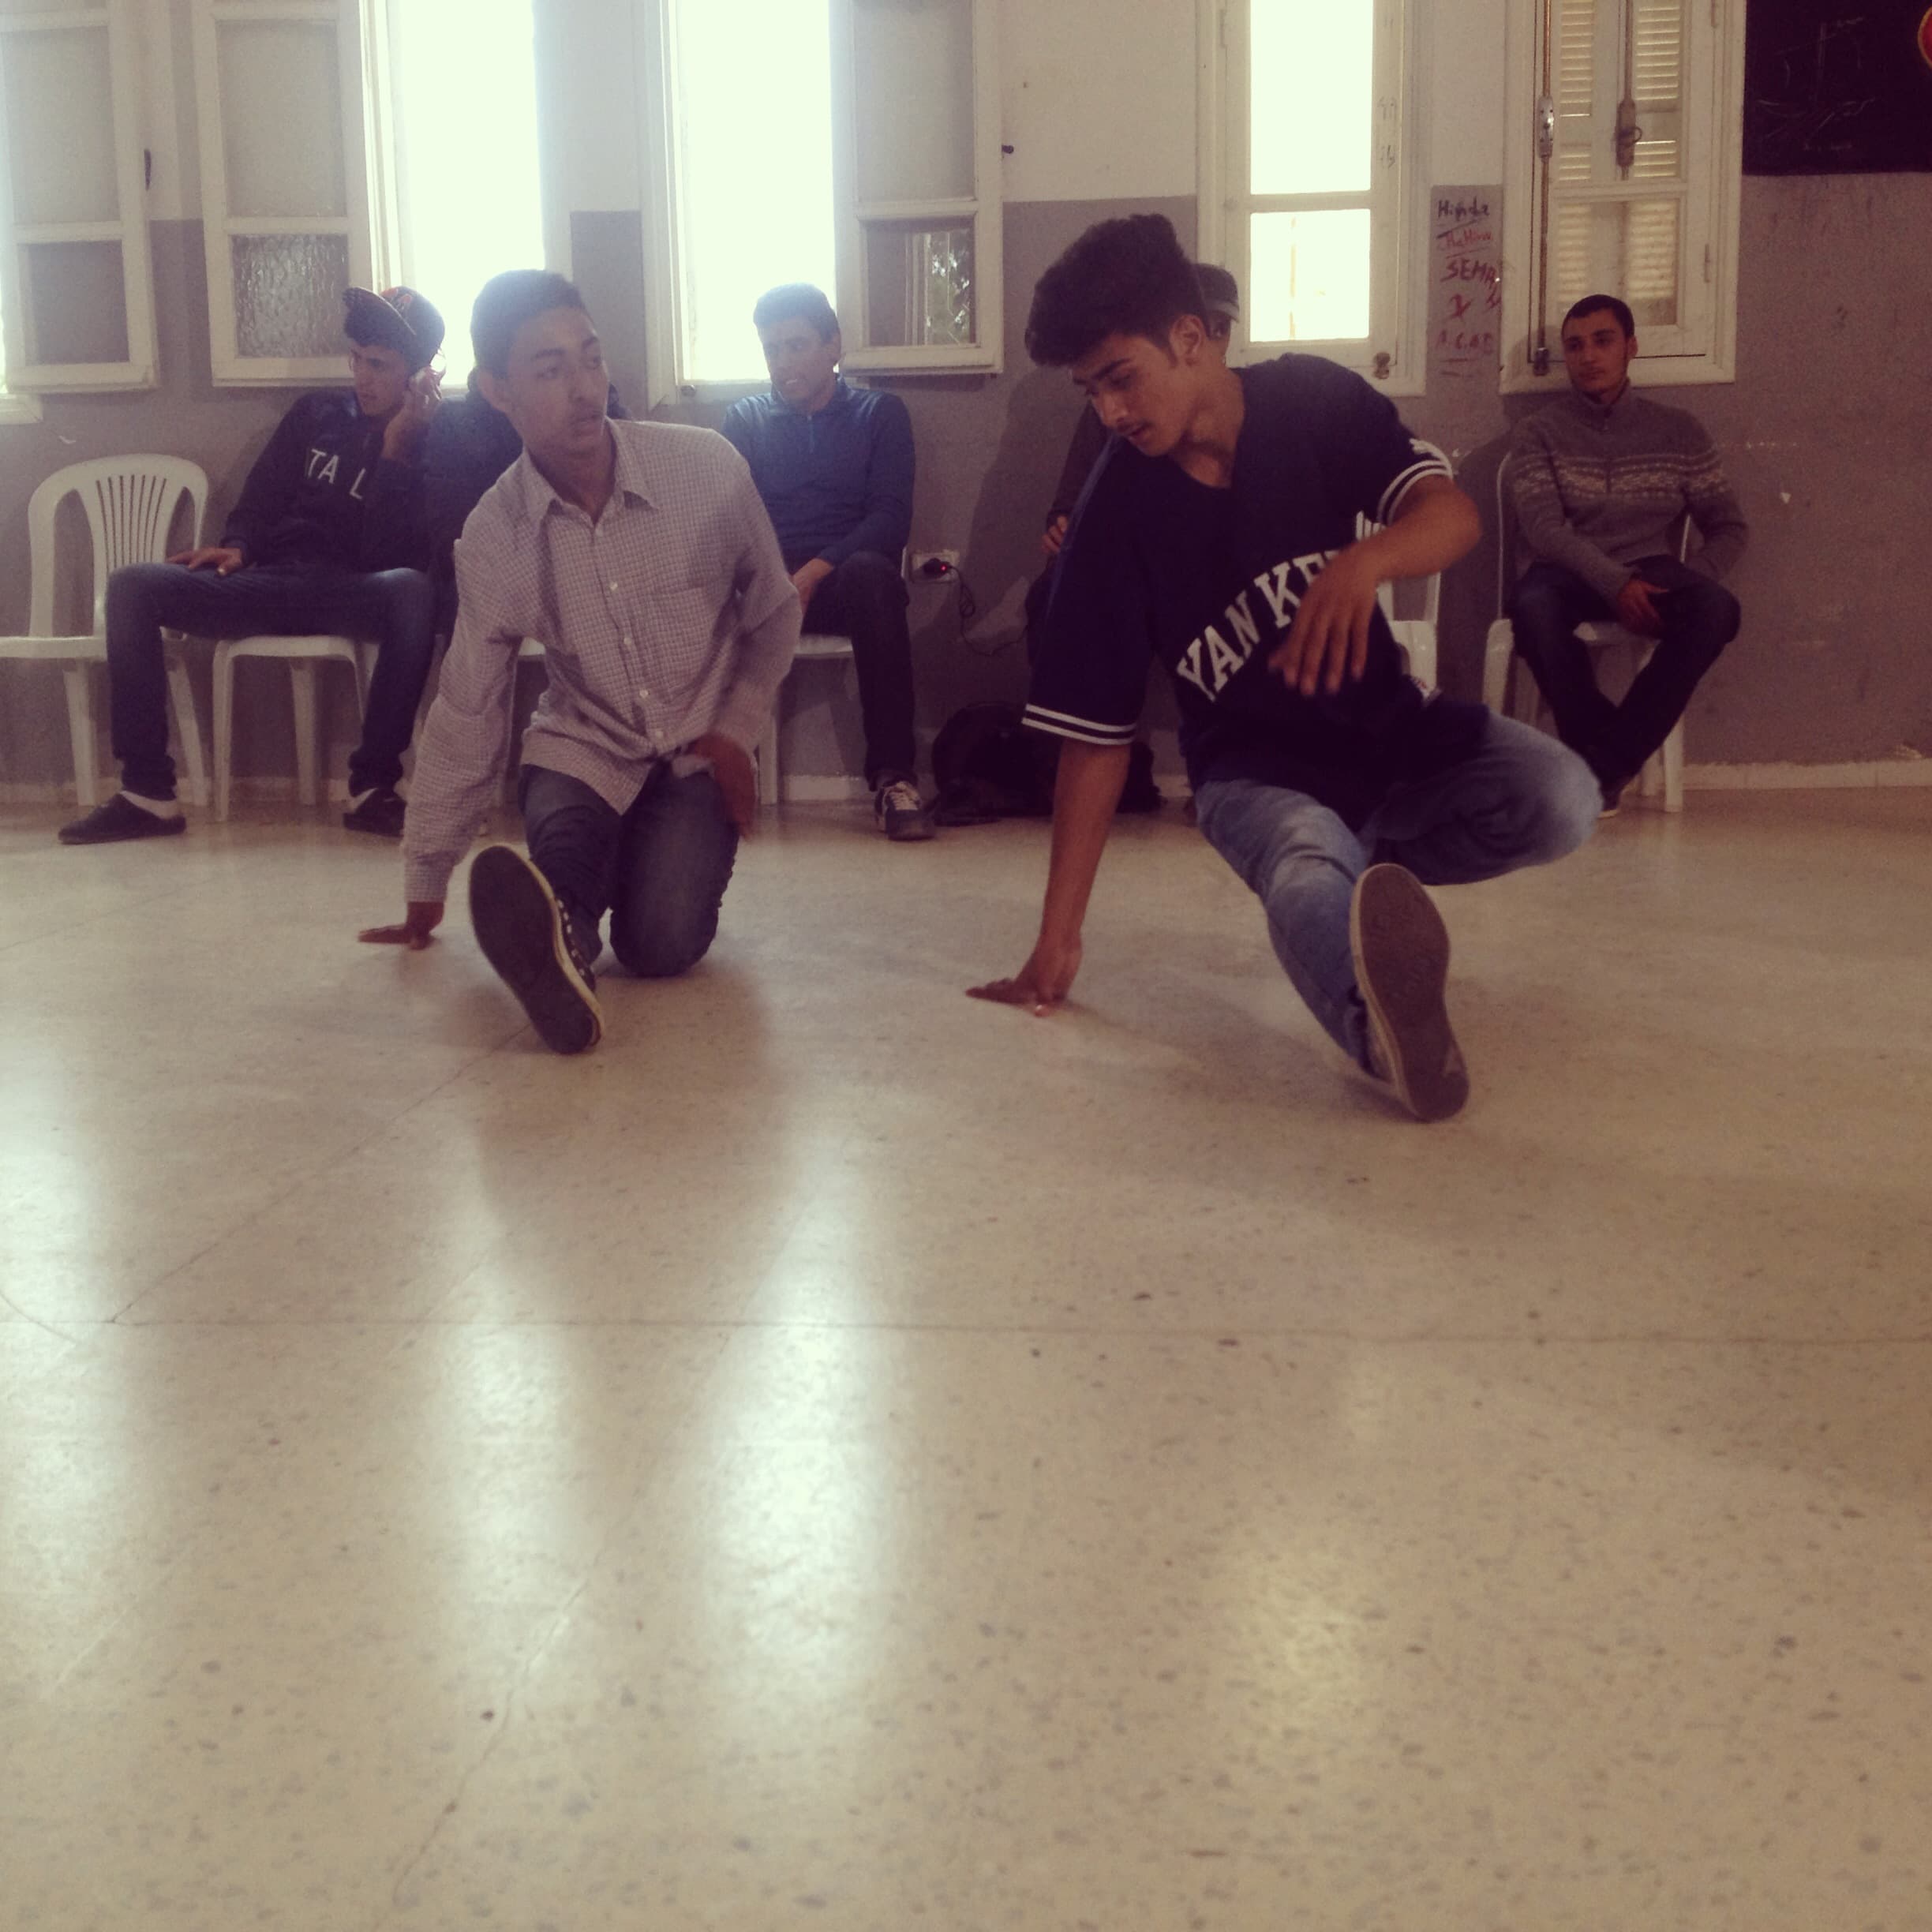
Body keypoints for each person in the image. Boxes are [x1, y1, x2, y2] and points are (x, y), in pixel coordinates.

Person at [968, 214, 1600, 1123]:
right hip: (1254, 775)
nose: (1110, 412)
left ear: (1189, 338)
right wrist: (1056, 939)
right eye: (1090, 392)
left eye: (1121, 380)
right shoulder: (1114, 515)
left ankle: (1364, 877)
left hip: (1394, 733)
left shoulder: (1311, 402)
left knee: (1563, 796)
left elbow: (1451, 515)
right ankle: (1385, 1030)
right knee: (1307, 864)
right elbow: (1096, 742)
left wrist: (1366, 560)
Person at [358, 270, 799, 1057]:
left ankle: (599, 898)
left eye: (590, 359)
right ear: (496, 391)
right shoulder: (495, 534)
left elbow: (773, 613)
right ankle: (560, 946)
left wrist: (736, 729)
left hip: (694, 753)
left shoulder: (707, 471)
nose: (585, 388)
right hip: (582, 744)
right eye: (550, 370)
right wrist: (427, 877)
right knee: (564, 855)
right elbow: (468, 707)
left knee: (660, 946)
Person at [59, 286, 446, 844]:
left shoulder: (432, 440)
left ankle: (372, 790)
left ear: (419, 376)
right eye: (356, 359)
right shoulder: (316, 413)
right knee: (131, 588)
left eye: (379, 365)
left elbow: (388, 554)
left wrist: (396, 451)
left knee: (413, 590)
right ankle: (147, 795)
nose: (362, 376)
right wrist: (237, 545)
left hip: (351, 589)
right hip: (267, 581)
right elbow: (261, 500)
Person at [1507, 293, 1748, 811]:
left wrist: (1691, 578)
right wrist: (1615, 583)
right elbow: (1546, 530)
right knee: (1531, 608)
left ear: (1630, 346)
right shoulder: (1539, 433)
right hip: (1565, 571)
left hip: (1653, 569)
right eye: (1575, 346)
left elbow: (1729, 527)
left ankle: (1600, 767)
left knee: (1717, 609)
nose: (1588, 356)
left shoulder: (1680, 431)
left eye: (1603, 340)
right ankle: (1607, 758)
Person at [719, 283, 930, 841]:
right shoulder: (744, 420)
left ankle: (894, 781)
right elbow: (730, 520)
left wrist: (815, 572)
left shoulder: (879, 414)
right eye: (771, 350)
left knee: (872, 573)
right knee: (696, 579)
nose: (783, 363)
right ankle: (708, 771)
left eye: (796, 345)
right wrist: (772, 579)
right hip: (765, 586)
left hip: (843, 586)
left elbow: (890, 520)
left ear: (833, 346)